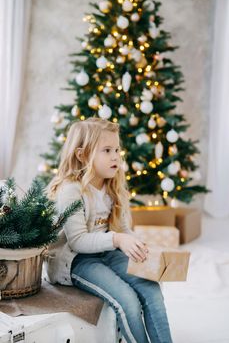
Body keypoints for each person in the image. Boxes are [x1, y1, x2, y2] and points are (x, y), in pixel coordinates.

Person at [46, 117, 173, 343]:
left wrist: (138, 247)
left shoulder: (112, 185)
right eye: (107, 150)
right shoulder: (71, 191)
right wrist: (117, 239)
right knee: (127, 300)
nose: (116, 156)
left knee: (152, 290)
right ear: (82, 155)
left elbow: (124, 229)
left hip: (109, 251)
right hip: (77, 260)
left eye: (117, 149)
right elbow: (77, 241)